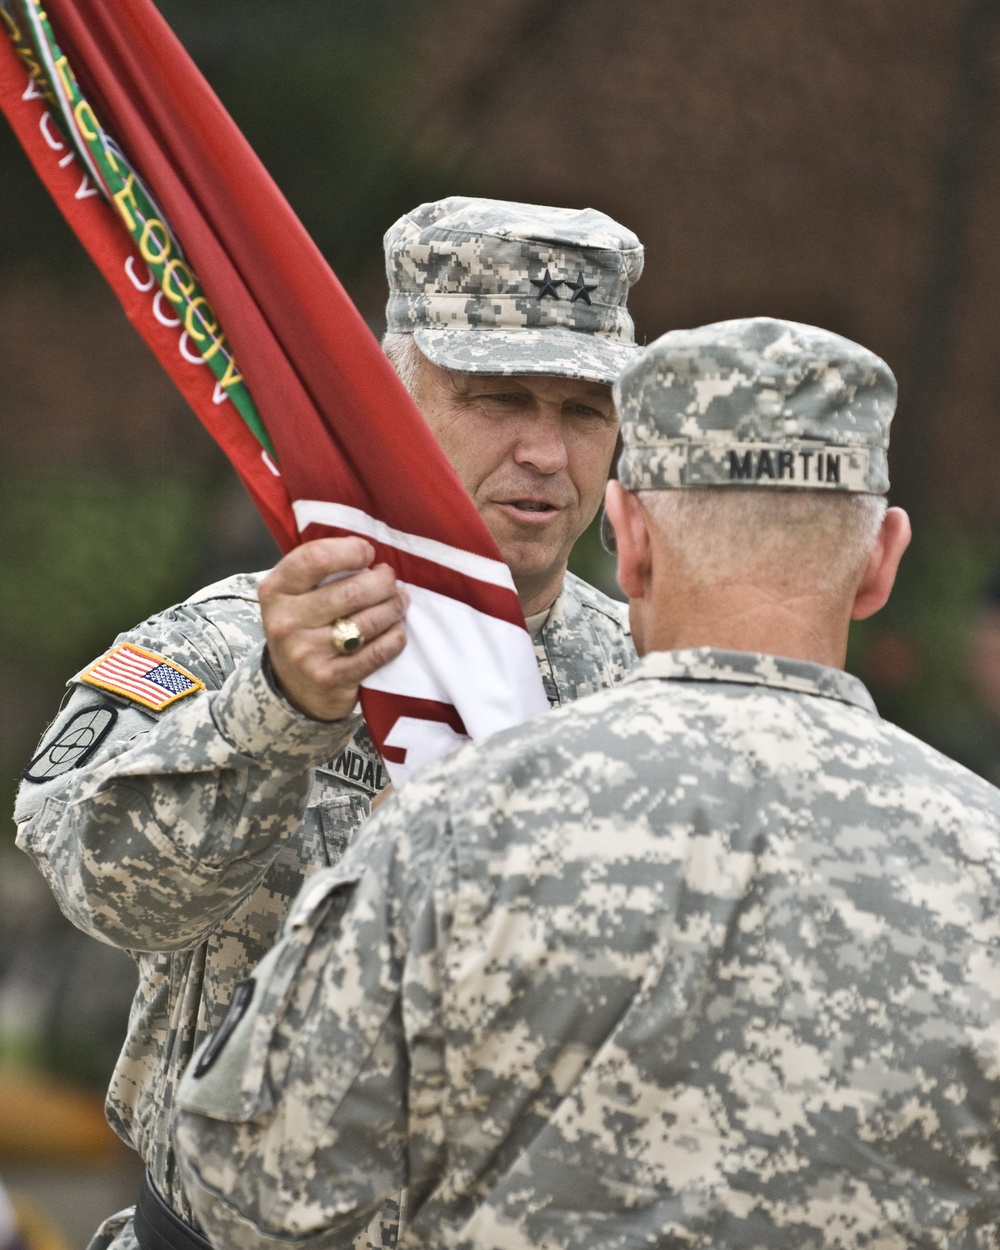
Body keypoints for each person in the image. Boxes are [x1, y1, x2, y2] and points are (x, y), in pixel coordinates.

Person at [174, 317, 1000, 1249]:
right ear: (882, 561)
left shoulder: (459, 819)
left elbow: (247, 1175)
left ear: (628, 535)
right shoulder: (986, 857)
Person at [13, 197, 643, 1250]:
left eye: (584, 410)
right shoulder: (230, 644)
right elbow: (99, 881)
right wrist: (282, 706)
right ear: (390, 394)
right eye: (500, 399)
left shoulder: (649, 681)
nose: (545, 450)